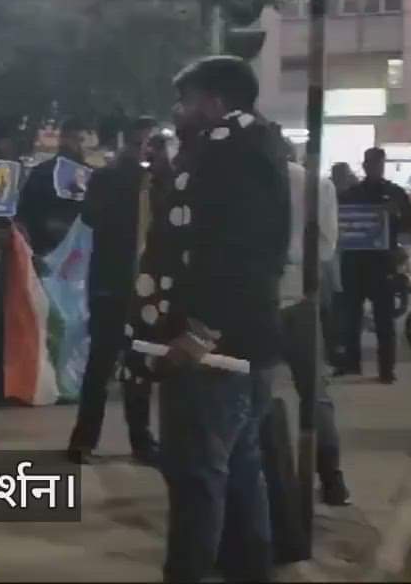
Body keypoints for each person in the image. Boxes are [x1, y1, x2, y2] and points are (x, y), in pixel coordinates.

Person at [130, 56, 289, 582]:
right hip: (241, 346)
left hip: (215, 351)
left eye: (187, 101)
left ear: (215, 102)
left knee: (198, 477)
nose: (179, 112)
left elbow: (235, 247)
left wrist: (200, 330)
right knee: (241, 476)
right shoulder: (248, 145)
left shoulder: (230, 152)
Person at [67, 117, 161, 466]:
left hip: (146, 288)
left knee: (140, 368)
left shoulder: (160, 182)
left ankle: (142, 440)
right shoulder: (106, 178)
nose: (143, 150)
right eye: (137, 144)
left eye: (148, 144)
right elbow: (91, 217)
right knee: (100, 366)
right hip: (111, 284)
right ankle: (83, 440)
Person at [277, 136, 351, 505]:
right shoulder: (317, 185)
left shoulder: (250, 181)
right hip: (301, 298)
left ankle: (263, 482)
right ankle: (331, 478)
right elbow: (326, 247)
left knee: (249, 392)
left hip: (257, 301)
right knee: (315, 395)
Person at [337, 147, 411, 382]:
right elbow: (339, 221)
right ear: (364, 165)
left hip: (383, 265)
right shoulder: (351, 194)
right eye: (371, 164)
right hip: (354, 263)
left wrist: (397, 216)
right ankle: (351, 365)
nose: (375, 168)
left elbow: (410, 224)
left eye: (379, 164)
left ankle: (386, 370)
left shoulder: (395, 193)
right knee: (351, 318)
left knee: (384, 319)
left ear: (383, 165)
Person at [16, 118, 94, 258]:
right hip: (47, 248)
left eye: (83, 141)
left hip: (79, 252)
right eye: (78, 140)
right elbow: (26, 211)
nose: (81, 146)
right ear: (64, 139)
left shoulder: (92, 176)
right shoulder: (43, 172)